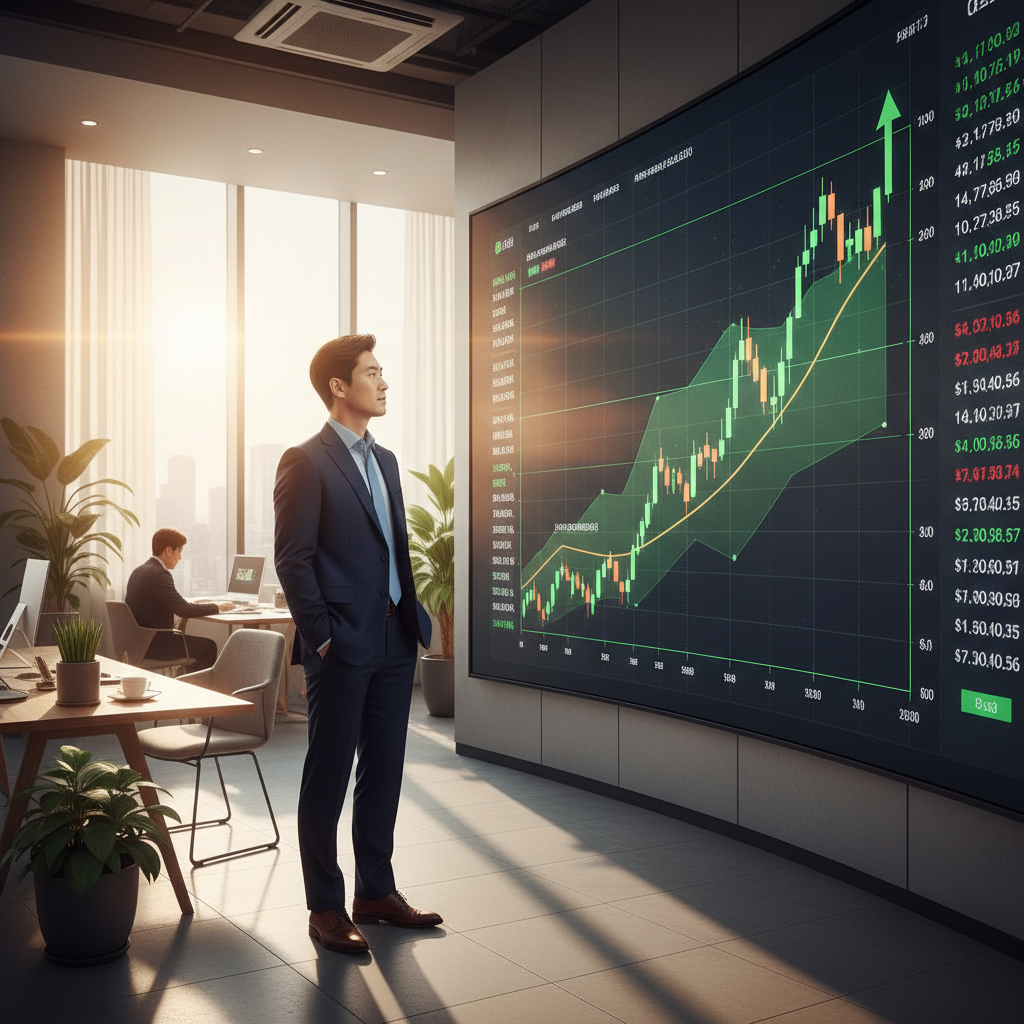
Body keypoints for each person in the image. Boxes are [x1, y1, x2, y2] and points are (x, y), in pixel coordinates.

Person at [274, 334, 440, 953]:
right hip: (341, 647)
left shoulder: (387, 460)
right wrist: (321, 640)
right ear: (339, 387)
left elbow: (392, 546)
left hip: (396, 638)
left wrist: (411, 619)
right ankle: (325, 907)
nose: (384, 382)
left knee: (385, 771)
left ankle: (376, 891)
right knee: (328, 775)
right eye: (373, 373)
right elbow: (294, 560)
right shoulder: (305, 459)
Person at [125, 528, 234, 672]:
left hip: (137, 644)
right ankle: (192, 689)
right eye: (180, 551)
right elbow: (184, 609)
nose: (181, 557)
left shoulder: (138, 571)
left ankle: (185, 682)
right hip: (156, 646)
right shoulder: (160, 574)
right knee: (209, 647)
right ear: (169, 550)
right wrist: (218, 607)